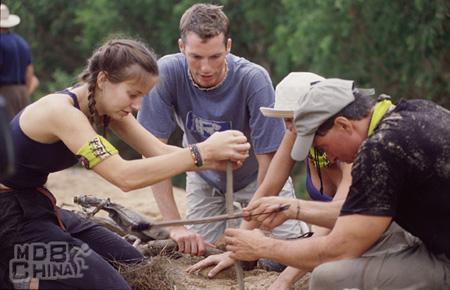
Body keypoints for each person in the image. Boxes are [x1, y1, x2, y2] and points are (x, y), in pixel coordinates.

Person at [0, 38, 250, 290]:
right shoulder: (61, 112)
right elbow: (124, 177)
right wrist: (202, 151)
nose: (138, 105)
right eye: (133, 94)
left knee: (135, 265)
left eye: (142, 96)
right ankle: (13, 278)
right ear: (103, 80)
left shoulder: (105, 107)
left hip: (37, 206)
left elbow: (159, 151)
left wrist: (213, 160)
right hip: (10, 217)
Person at [186, 72, 417, 290]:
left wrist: (285, 280)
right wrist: (235, 247)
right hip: (330, 237)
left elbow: (340, 221)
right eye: (284, 120)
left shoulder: (353, 149)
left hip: (367, 237)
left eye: (292, 119)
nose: (288, 127)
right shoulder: (295, 134)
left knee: (327, 275)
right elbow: (267, 187)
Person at [137, 3, 305, 256]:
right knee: (203, 253)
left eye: (215, 57)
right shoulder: (166, 73)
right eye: (196, 57)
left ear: (228, 46)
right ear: (182, 48)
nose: (206, 68)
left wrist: (250, 229)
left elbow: (270, 162)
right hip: (204, 176)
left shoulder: (254, 79)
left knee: (288, 254)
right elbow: (151, 153)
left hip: (259, 178)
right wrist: (176, 227)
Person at [0, 4, 39, 120]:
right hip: (23, 93)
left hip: (4, 93)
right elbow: (30, 72)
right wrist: (25, 91)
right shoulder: (22, 42)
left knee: (6, 133)